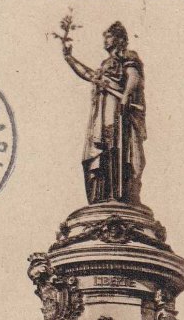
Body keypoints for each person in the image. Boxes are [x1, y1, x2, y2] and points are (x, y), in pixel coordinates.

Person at [62, 21, 146, 205]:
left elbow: (133, 76)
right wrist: (70, 58)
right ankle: (103, 194)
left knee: (116, 145)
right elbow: (88, 75)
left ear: (119, 39)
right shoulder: (105, 65)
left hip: (117, 110)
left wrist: (126, 96)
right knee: (103, 148)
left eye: (108, 36)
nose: (105, 41)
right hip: (102, 113)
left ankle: (118, 193)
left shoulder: (127, 56)